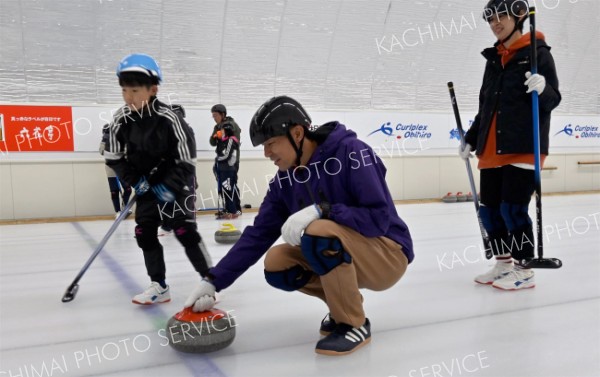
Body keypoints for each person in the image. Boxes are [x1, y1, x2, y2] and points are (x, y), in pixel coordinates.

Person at [185, 96, 414, 356]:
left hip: (388, 253)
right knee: (277, 263)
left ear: (297, 133)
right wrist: (213, 281)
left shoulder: (352, 152)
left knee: (318, 232)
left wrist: (323, 210)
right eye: (264, 146)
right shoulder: (285, 180)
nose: (266, 153)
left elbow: (378, 218)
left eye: (271, 143)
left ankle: (353, 324)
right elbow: (258, 236)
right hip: (349, 252)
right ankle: (344, 306)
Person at [459, 0, 561, 290]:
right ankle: (503, 263)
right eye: (490, 19)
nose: (495, 23)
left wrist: (544, 88)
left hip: (524, 145)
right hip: (492, 149)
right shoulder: (494, 60)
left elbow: (552, 100)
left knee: (512, 210)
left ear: (519, 15)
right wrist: (470, 138)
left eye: (500, 16)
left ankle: (524, 268)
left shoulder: (537, 54)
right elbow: (486, 106)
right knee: (489, 211)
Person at [103, 53, 213, 305]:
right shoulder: (121, 119)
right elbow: (113, 157)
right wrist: (133, 180)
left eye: (134, 90)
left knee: (184, 230)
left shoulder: (170, 119)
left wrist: (169, 186)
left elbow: (187, 159)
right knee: (144, 232)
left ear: (153, 89)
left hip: (175, 184)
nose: (128, 97)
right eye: (124, 91)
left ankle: (210, 281)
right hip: (145, 186)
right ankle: (159, 285)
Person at [209, 104, 242, 217]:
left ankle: (235, 209)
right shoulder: (217, 127)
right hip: (220, 160)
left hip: (231, 161)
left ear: (222, 114)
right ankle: (230, 208)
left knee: (230, 185)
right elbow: (212, 143)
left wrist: (225, 135)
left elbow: (234, 142)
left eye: (216, 115)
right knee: (224, 185)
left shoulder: (232, 125)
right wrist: (216, 136)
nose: (214, 118)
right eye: (213, 116)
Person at [99, 124, 132, 219]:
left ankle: (124, 207)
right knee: (114, 191)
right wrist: (104, 140)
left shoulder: (121, 139)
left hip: (121, 167)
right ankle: (117, 211)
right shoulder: (104, 140)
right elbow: (101, 152)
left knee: (128, 189)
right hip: (110, 167)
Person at [214, 123, 241, 219]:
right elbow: (220, 152)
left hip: (228, 169)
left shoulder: (231, 140)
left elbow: (227, 155)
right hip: (223, 169)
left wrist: (218, 159)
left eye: (222, 130)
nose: (220, 132)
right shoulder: (224, 140)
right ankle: (228, 210)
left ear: (227, 131)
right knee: (225, 190)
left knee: (228, 190)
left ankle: (233, 211)